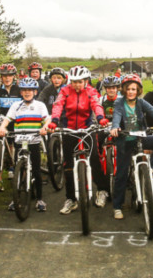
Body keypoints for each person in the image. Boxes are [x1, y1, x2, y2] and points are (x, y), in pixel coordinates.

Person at [48, 65, 110, 214]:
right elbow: (58, 106)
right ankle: (71, 199)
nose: (77, 84)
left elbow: (96, 104)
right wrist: (54, 121)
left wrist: (101, 118)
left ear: (86, 81)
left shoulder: (91, 91)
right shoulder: (64, 91)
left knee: (95, 158)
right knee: (68, 164)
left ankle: (102, 190)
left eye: (80, 81)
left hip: (86, 129)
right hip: (69, 129)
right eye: (74, 81)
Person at [109, 74, 153, 220]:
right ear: (124, 90)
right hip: (125, 141)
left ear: (138, 90)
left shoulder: (141, 103)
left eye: (134, 89)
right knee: (121, 174)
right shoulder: (119, 103)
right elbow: (116, 116)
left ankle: (152, 167)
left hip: (140, 138)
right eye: (128, 89)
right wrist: (115, 127)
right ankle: (117, 206)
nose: (131, 92)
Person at [0, 77, 51, 213]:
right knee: (18, 170)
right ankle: (15, 199)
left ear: (35, 92)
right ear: (21, 92)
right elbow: (7, 119)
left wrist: (45, 127)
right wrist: (3, 128)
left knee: (37, 171)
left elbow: (47, 119)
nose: (27, 92)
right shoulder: (16, 106)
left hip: (33, 141)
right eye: (24, 90)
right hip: (19, 142)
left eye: (30, 90)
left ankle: (39, 199)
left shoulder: (40, 105)